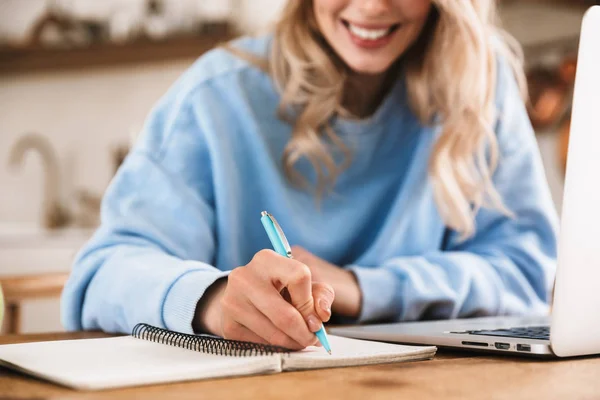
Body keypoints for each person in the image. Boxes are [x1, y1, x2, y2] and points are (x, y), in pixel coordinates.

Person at [61, 0, 558, 350]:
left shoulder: (479, 83)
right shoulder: (216, 96)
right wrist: (211, 300)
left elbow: (528, 272)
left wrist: (363, 288)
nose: (370, 7)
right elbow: (102, 275)